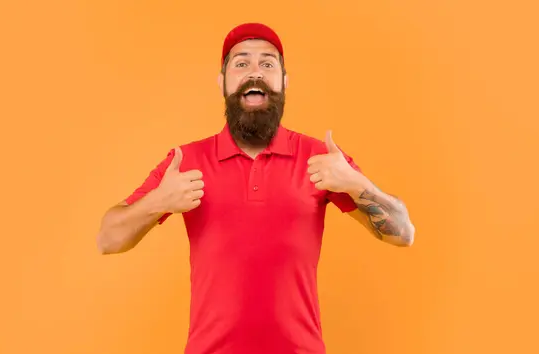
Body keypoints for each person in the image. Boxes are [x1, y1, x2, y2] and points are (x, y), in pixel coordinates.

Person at [96, 22, 415, 354]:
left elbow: (403, 233)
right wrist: (158, 201)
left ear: (284, 82)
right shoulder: (186, 161)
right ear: (222, 82)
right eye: (241, 63)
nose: (255, 72)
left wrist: (354, 182)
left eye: (267, 63)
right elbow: (108, 239)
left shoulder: (320, 158)